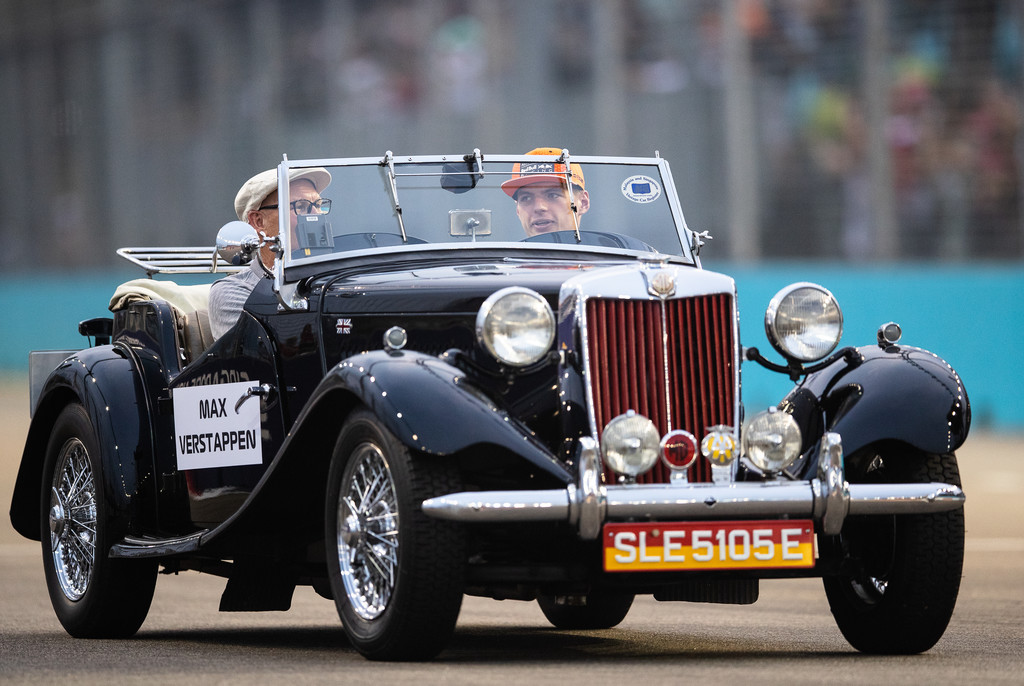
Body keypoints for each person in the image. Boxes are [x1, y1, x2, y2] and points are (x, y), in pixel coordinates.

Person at [208, 167, 331, 339]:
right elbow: (260, 357)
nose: (317, 216)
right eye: (301, 207)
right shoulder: (236, 292)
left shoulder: (334, 279)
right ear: (258, 221)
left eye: (318, 205)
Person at [500, 147, 589, 237]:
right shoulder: (499, 250)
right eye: (526, 198)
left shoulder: (601, 249)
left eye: (553, 195)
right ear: (518, 211)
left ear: (583, 202)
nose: (539, 207)